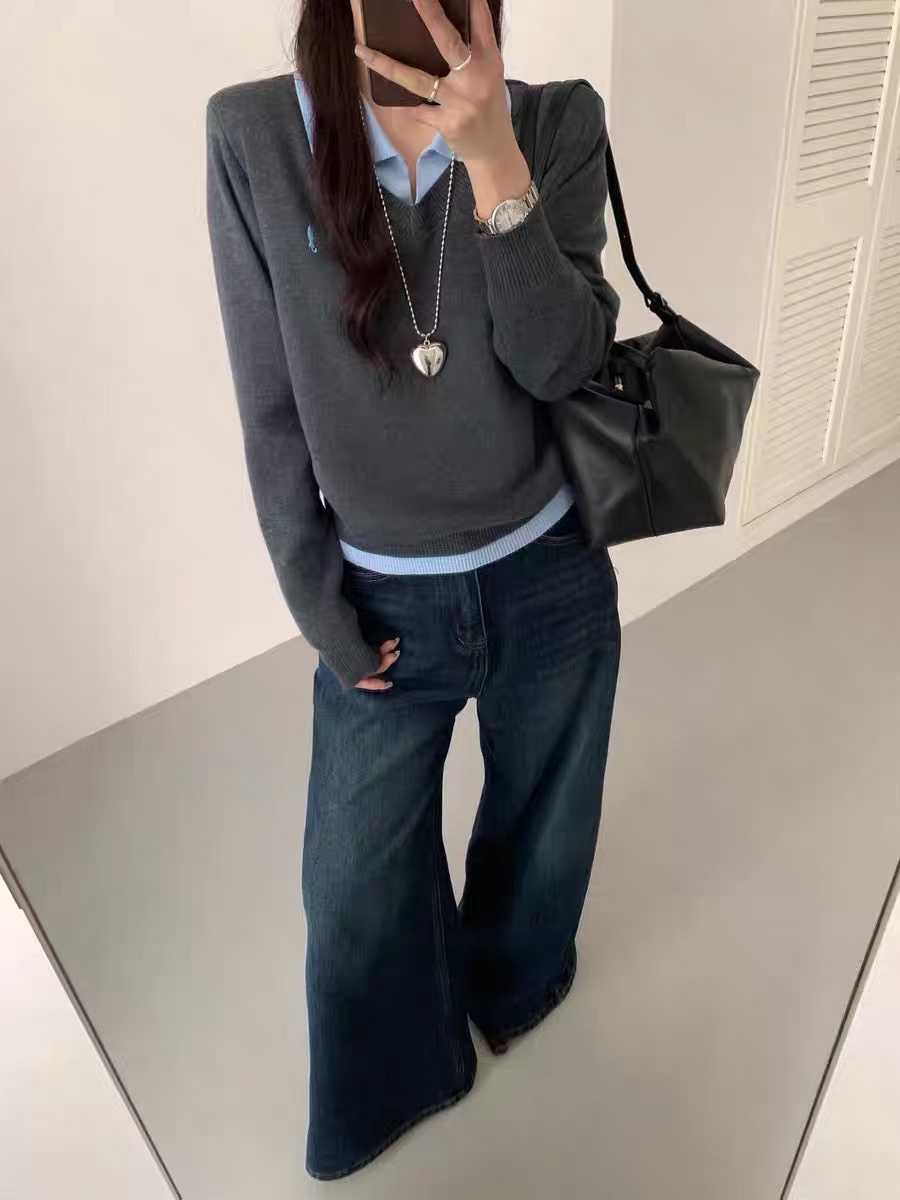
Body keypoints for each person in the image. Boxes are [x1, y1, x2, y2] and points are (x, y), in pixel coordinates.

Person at [205, 0, 621, 1180]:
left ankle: (516, 985)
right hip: (383, 602)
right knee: (351, 893)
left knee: (545, 825)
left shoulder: (556, 122)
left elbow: (563, 362)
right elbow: (267, 404)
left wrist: (495, 163)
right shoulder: (254, 136)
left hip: (549, 571)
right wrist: (316, 604)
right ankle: (401, 1077)